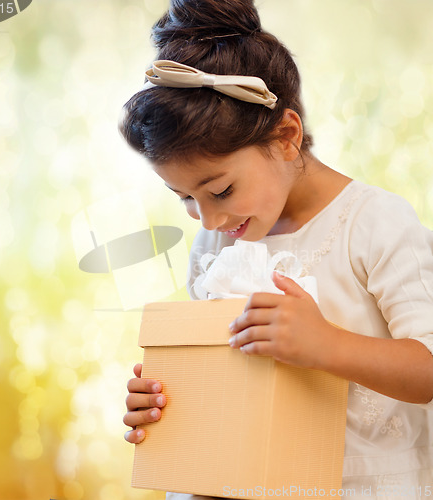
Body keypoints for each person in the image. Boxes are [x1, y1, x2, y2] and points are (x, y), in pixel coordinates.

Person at [120, 0, 433, 498]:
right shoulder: (214, 243)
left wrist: (328, 345)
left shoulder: (374, 224)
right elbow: (230, 379)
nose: (208, 218)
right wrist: (168, 400)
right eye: (185, 198)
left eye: (220, 190)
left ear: (287, 136)